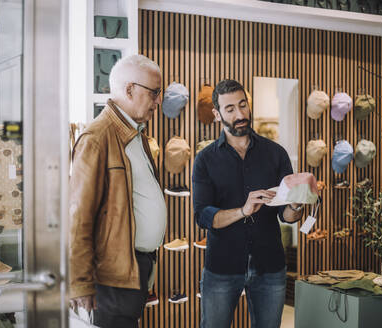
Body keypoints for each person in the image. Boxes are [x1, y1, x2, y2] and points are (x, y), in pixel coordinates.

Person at [192, 79, 304, 328]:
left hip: (270, 266)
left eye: (243, 105)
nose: (240, 114)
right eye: (230, 109)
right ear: (217, 114)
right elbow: (203, 216)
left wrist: (297, 203)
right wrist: (243, 210)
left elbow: (285, 217)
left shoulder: (276, 154)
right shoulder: (204, 160)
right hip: (222, 267)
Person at [69, 54, 167, 328]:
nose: (158, 101)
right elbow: (78, 215)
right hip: (111, 277)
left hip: (133, 267)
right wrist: (79, 282)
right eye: (154, 93)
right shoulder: (97, 138)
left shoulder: (135, 134)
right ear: (129, 89)